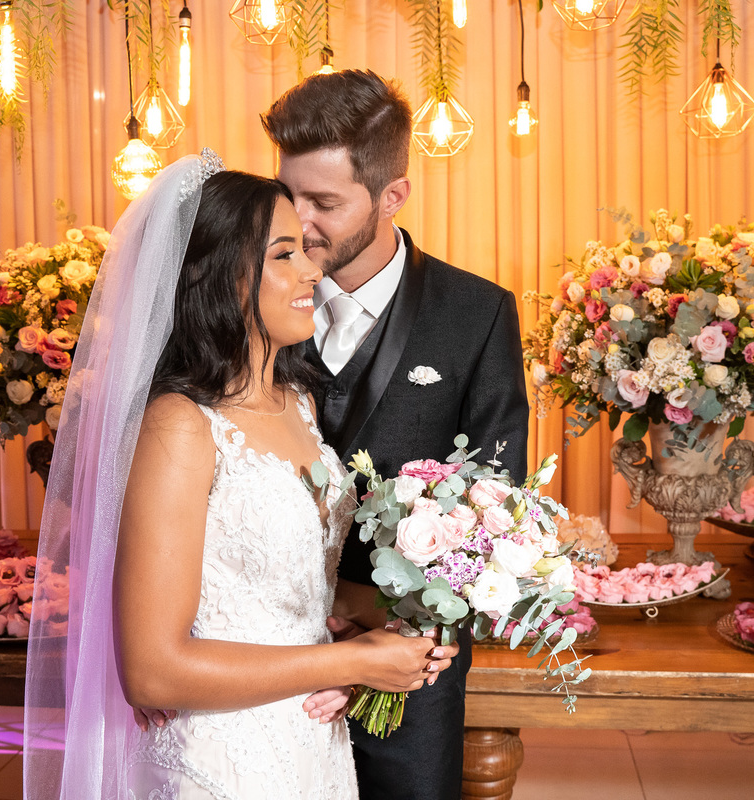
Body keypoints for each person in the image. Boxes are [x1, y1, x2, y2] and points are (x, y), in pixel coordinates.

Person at [22, 153, 455, 800]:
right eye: (284, 255)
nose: (313, 270)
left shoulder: (299, 405)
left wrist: (414, 618)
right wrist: (352, 661)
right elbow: (153, 671)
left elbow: (299, 587)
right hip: (216, 757)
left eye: (306, 250)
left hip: (310, 745)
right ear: (220, 278)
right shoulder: (180, 426)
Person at [262, 70, 531, 800]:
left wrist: (386, 646)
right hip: (260, 654)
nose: (301, 223)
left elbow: (494, 506)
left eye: (325, 202)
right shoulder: (248, 299)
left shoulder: (477, 314)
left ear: (392, 194)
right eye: (290, 196)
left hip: (412, 670)